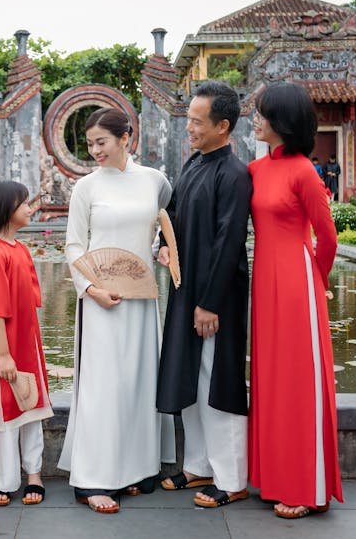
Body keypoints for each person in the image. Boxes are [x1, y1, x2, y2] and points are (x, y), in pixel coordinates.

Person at [59, 108, 176, 514]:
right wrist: (90, 288)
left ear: (126, 137)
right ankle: (94, 479)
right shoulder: (86, 188)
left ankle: (136, 471)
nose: (94, 151)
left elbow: (165, 227)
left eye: (101, 142)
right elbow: (74, 245)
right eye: (90, 144)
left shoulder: (155, 181)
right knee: (102, 388)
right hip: (101, 300)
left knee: (140, 382)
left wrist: (164, 249)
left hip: (142, 300)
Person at [248, 82, 343, 519]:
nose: (255, 119)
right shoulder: (254, 169)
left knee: (299, 382)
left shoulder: (306, 170)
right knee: (269, 378)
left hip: (296, 284)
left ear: (282, 122)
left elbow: (328, 236)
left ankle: (307, 487)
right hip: (264, 281)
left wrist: (315, 284)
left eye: (262, 113)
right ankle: (274, 478)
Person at [156, 81, 251, 509]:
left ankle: (231, 478)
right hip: (185, 286)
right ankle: (198, 465)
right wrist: (163, 242)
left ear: (223, 126)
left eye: (197, 121)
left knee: (217, 382)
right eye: (189, 119)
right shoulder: (195, 164)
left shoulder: (233, 175)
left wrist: (209, 303)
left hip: (216, 297)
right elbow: (173, 215)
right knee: (191, 377)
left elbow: (229, 243)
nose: (189, 128)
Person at [0, 181, 52, 507]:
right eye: (24, 204)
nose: (30, 209)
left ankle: (34, 473)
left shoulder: (20, 250)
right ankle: (5, 479)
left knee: (31, 404)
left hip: (28, 341)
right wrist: (4, 356)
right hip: (4, 346)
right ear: (7, 210)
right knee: (5, 411)